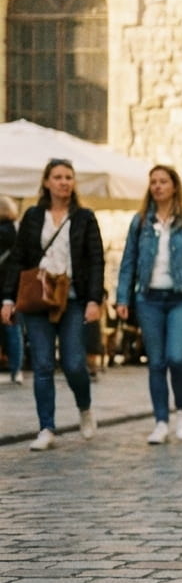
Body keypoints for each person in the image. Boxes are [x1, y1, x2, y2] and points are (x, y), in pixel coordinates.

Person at [0, 158, 104, 450]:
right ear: (47, 182)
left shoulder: (84, 217)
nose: (64, 182)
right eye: (57, 177)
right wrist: (8, 299)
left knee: (73, 363)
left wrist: (94, 299)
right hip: (37, 298)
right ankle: (46, 427)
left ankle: (84, 407)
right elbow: (18, 259)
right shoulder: (33, 216)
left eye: (68, 177)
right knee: (43, 364)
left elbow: (96, 260)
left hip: (72, 298)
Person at [115, 165, 182, 444]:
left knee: (177, 357)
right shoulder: (140, 222)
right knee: (156, 362)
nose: (157, 186)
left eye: (163, 182)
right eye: (153, 182)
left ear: (174, 186)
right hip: (149, 297)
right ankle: (161, 420)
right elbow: (128, 262)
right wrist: (122, 297)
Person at [0, 196, 24, 384]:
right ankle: (17, 370)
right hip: (14, 286)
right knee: (13, 328)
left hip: (2, 284)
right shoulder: (18, 231)